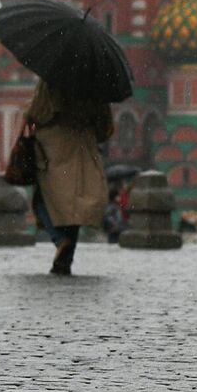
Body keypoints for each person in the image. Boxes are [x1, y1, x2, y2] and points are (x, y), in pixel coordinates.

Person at [24, 79, 114, 276]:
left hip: (53, 144)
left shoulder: (50, 79)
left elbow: (36, 112)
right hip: (82, 143)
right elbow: (104, 124)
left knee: (44, 198)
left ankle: (59, 240)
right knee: (76, 201)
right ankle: (66, 257)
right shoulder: (94, 81)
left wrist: (30, 117)